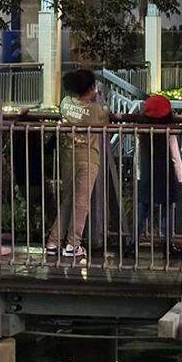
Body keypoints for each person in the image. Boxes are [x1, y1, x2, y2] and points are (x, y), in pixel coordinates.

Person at [48, 68, 109, 261]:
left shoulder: (65, 104)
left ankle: (53, 241)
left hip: (67, 157)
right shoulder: (96, 111)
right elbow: (107, 114)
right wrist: (98, 98)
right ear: (91, 88)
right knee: (82, 202)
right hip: (88, 158)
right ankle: (73, 244)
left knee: (67, 199)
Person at [136, 95, 182, 256]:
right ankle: (167, 244)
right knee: (167, 210)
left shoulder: (142, 132)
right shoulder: (168, 131)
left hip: (147, 173)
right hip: (166, 175)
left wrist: (139, 174)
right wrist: (181, 177)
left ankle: (132, 243)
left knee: (143, 209)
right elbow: (175, 155)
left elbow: (138, 155)